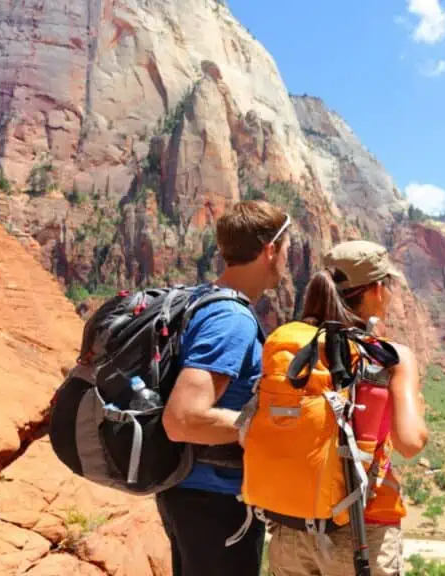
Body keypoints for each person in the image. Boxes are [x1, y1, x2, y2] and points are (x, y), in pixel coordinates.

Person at [267, 240, 429, 576]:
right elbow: (410, 443)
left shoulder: (292, 349)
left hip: (291, 527)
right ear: (376, 290)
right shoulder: (390, 356)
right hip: (363, 532)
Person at [157, 199, 292, 576]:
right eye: (286, 250)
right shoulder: (231, 319)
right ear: (270, 251)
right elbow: (183, 419)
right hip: (213, 502)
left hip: (190, 493)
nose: (286, 261)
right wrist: (269, 426)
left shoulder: (202, 299)